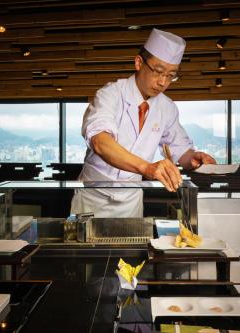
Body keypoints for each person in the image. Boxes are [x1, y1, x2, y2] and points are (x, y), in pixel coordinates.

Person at [71, 28, 216, 218]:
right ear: (139, 62)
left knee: (131, 248)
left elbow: (181, 150)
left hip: (131, 200)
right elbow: (100, 142)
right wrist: (147, 168)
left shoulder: (167, 107)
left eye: (171, 75)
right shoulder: (110, 94)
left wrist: (195, 158)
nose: (163, 82)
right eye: (158, 71)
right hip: (92, 197)